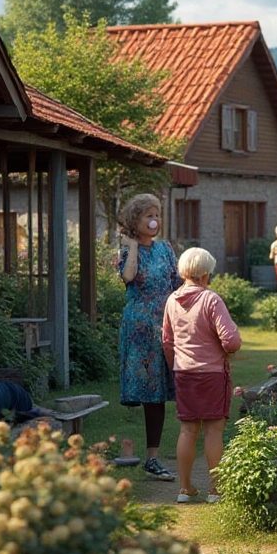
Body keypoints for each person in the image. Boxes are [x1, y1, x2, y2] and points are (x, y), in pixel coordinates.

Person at [161, 248, 242, 504]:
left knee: (187, 430)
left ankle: (184, 489)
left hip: (183, 373)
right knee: (213, 432)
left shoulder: (172, 300)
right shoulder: (211, 299)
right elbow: (231, 341)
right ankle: (215, 490)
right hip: (212, 374)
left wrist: (177, 366)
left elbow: (167, 341)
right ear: (206, 273)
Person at [117, 193, 179, 483]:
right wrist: (131, 247)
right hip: (140, 330)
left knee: (163, 392)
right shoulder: (127, 251)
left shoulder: (166, 249)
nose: (155, 220)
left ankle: (154, 457)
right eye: (148, 215)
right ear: (136, 221)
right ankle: (152, 459)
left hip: (166, 325)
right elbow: (128, 278)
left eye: (158, 214)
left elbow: (178, 283)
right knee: (150, 392)